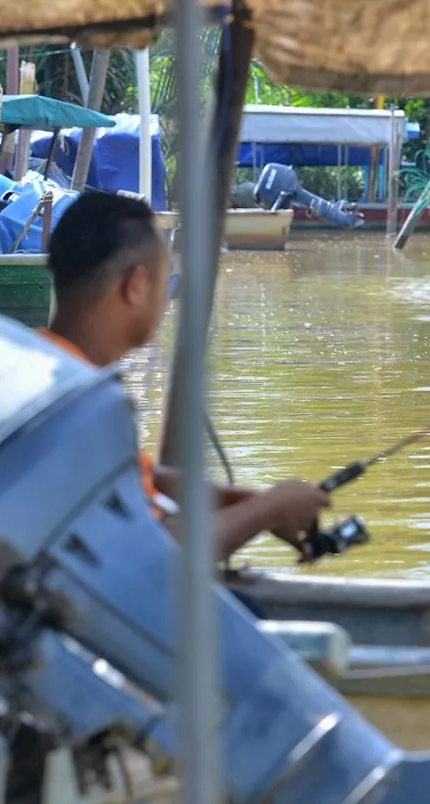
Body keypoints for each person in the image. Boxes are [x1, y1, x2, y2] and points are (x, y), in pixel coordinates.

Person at [40, 189, 330, 562]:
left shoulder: (40, 368)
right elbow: (155, 556)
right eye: (166, 283)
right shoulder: (85, 405)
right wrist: (270, 508)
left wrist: (256, 502)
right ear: (137, 285)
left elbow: (144, 480)